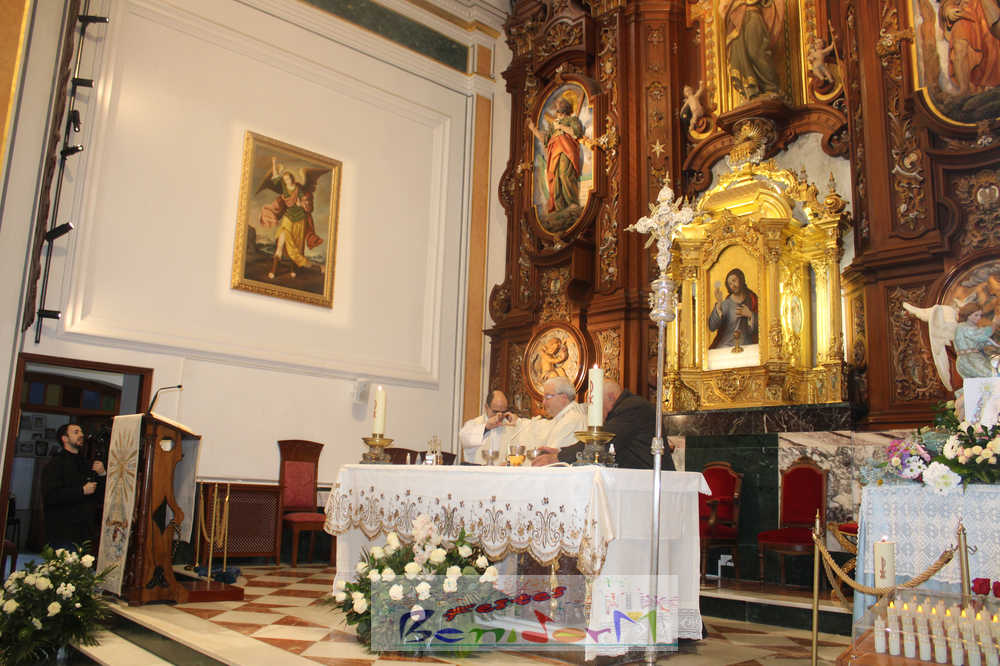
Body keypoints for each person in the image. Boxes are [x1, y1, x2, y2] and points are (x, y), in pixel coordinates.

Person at [554, 380, 676, 470]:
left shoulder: (633, 407)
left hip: (654, 482)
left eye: (597, 406)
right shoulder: (625, 407)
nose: (595, 413)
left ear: (611, 397)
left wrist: (558, 457)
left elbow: (603, 441)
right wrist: (559, 451)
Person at [257, 156, 330, 280]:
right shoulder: (283, 186)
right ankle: (273, 270)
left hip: (300, 221)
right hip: (288, 219)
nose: (288, 180)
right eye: (286, 179)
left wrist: (301, 204)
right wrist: (274, 162)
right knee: (281, 243)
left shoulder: (299, 188)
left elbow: (306, 204)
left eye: (289, 178)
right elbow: (275, 176)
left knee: (296, 247)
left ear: (292, 179)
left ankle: (294, 269)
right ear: (284, 181)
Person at [42, 423, 106, 551]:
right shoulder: (55, 464)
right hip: (63, 531)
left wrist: (102, 474)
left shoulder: (86, 463)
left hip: (85, 531)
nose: (81, 435)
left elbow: (100, 495)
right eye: (76, 432)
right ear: (64, 438)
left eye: (81, 432)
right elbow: (51, 496)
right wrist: (81, 491)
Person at [528, 96, 585, 215]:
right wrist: (534, 130)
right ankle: (560, 208)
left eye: (560, 103)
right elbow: (545, 139)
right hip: (554, 153)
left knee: (565, 175)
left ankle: (572, 203)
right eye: (558, 104)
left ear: (566, 107)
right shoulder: (553, 125)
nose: (558, 105)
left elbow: (576, 132)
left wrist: (561, 127)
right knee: (555, 179)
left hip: (566, 150)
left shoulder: (572, 120)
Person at [508, 377, 585, 461]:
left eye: (548, 396)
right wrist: (518, 422)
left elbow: (551, 460)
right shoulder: (562, 418)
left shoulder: (571, 420)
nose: (543, 402)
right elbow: (539, 427)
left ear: (563, 397)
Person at [721, 0, 784, 100]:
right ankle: (752, 91)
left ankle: (771, 87)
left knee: (756, 52)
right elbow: (723, 8)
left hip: (753, 16)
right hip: (737, 23)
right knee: (740, 56)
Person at [708, 267, 759, 349]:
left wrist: (750, 315)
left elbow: (763, 325)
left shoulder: (752, 300)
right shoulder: (725, 304)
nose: (733, 285)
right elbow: (712, 327)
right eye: (730, 284)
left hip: (747, 346)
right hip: (726, 345)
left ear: (741, 280)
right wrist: (719, 304)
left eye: (734, 281)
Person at [458, 390, 514, 464]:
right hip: (478, 470)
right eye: (495, 412)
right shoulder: (474, 424)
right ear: (486, 407)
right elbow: (464, 438)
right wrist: (486, 428)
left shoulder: (509, 426)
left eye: (503, 412)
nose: (499, 416)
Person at [954, 304, 1000, 378]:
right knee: (993, 375)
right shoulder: (962, 327)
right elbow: (980, 335)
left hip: (971, 359)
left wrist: (993, 345)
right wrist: (994, 324)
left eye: (980, 315)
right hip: (970, 360)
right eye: (976, 315)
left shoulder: (971, 327)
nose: (979, 318)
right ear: (967, 315)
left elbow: (980, 342)